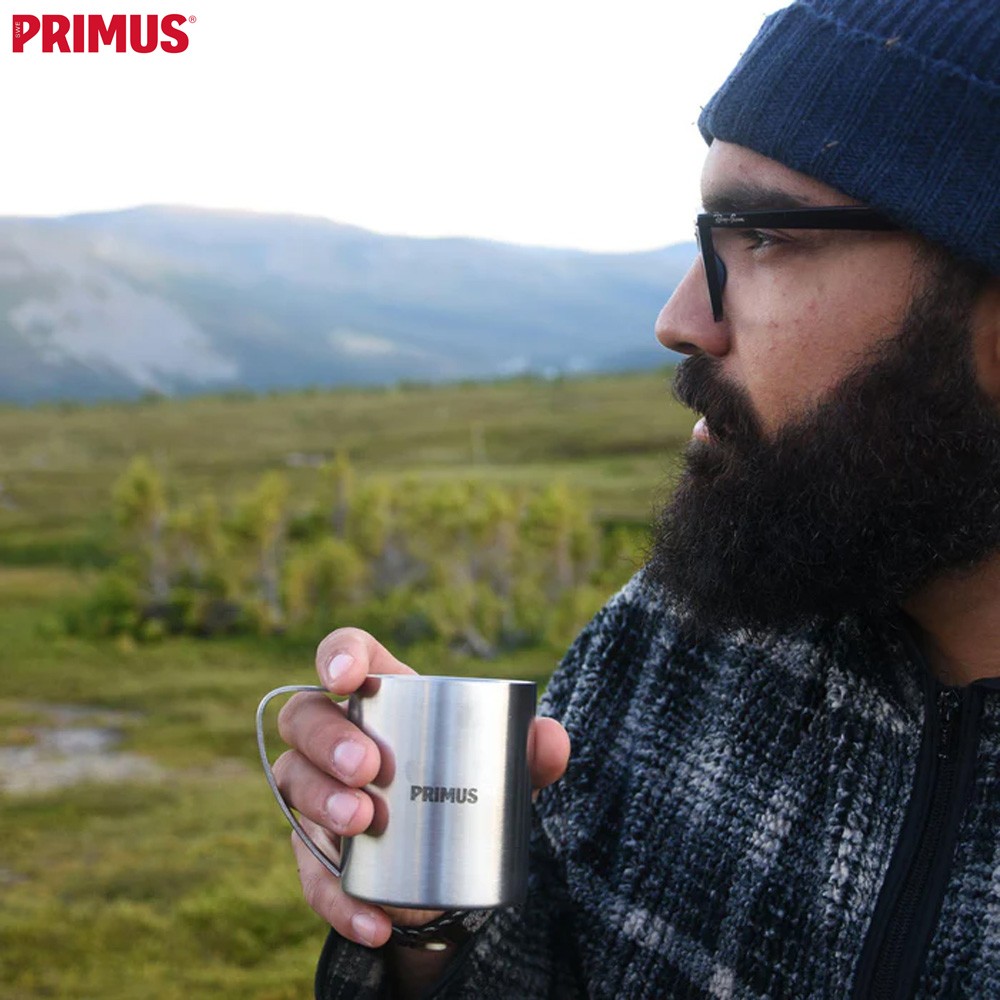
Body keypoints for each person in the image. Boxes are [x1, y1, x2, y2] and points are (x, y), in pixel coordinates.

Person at [273, 0, 1000, 995]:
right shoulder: (675, 633)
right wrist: (425, 921)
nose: (680, 320)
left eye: (764, 236)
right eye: (710, 236)